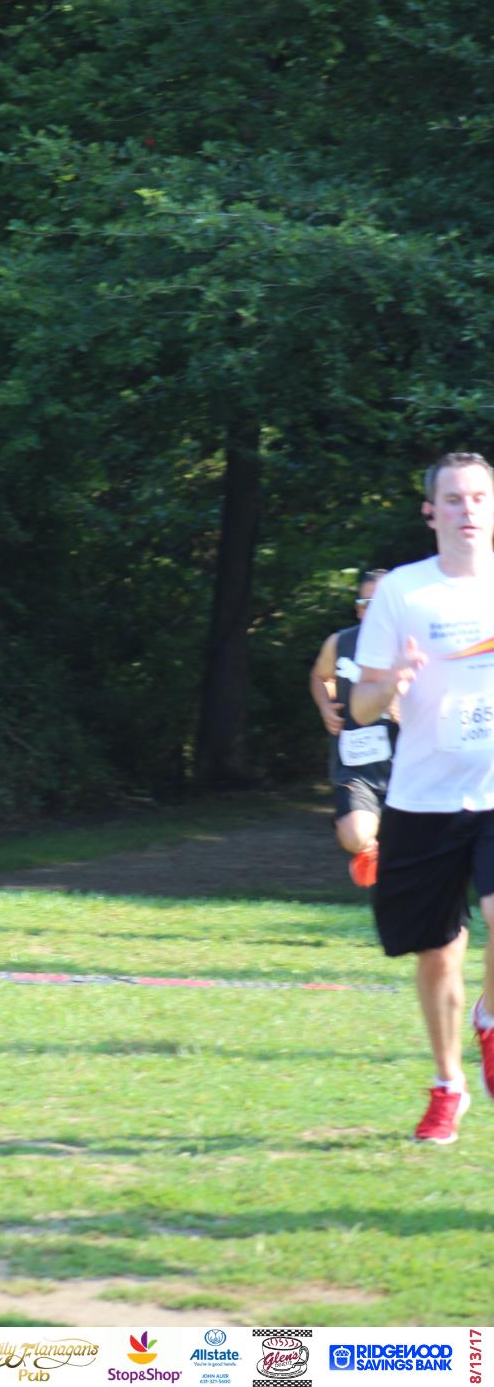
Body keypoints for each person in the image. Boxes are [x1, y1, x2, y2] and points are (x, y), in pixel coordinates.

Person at [352, 451, 494, 1144]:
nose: (468, 510)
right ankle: (448, 1086)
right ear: (430, 511)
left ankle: (490, 1020)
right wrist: (392, 684)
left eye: (479, 498)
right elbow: (360, 705)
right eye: (454, 499)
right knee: (437, 953)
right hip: (425, 798)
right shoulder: (403, 592)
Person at [310, 570, 397, 887]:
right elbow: (320, 676)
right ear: (358, 609)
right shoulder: (341, 643)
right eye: (365, 603)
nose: (373, 611)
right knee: (355, 835)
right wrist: (325, 705)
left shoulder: (417, 645)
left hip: (410, 768)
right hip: (357, 766)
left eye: (381, 603)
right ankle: (370, 850)